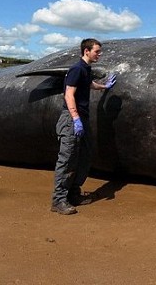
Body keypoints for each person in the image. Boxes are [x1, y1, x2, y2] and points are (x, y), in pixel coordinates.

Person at [51, 38, 116, 215]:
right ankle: (58, 200)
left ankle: (73, 193)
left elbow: (87, 84)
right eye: (97, 51)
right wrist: (75, 118)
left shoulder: (86, 70)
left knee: (85, 156)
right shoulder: (76, 69)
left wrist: (104, 86)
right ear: (86, 51)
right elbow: (69, 95)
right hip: (72, 119)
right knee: (68, 159)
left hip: (83, 119)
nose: (99, 54)